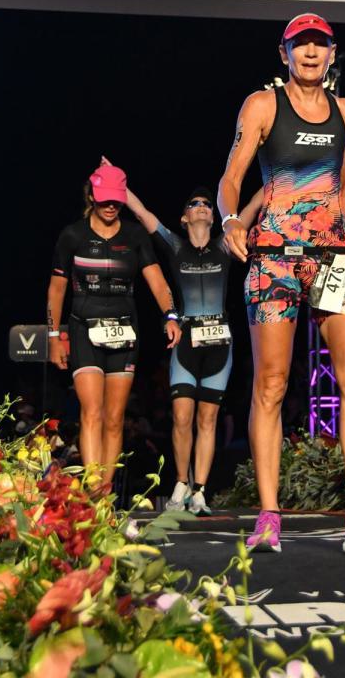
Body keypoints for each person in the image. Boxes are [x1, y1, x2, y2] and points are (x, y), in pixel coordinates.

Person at [218, 13, 345, 556]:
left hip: (331, 260)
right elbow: (231, 177)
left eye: (320, 44)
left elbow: (344, 184)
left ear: (332, 52)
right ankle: (269, 515)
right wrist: (231, 219)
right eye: (301, 45)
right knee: (271, 384)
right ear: (285, 53)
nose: (311, 52)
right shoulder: (262, 105)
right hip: (273, 259)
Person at [119, 173, 261, 514]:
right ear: (184, 218)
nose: (201, 207)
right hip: (185, 344)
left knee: (207, 420)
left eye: (207, 204)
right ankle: (181, 482)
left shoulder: (224, 245)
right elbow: (142, 213)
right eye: (194, 204)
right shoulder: (175, 246)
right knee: (182, 418)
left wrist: (274, 180)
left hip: (219, 345)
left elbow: (249, 210)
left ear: (214, 216)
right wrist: (119, 186)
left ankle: (200, 491)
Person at [46, 163, 180, 489]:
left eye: (116, 201)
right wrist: (53, 336)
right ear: (92, 196)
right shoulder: (72, 235)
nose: (110, 206)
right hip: (83, 329)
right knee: (91, 412)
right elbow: (56, 289)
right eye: (105, 199)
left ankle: (104, 493)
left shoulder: (135, 236)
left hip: (125, 331)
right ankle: (92, 489)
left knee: (115, 418)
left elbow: (157, 281)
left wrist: (171, 315)